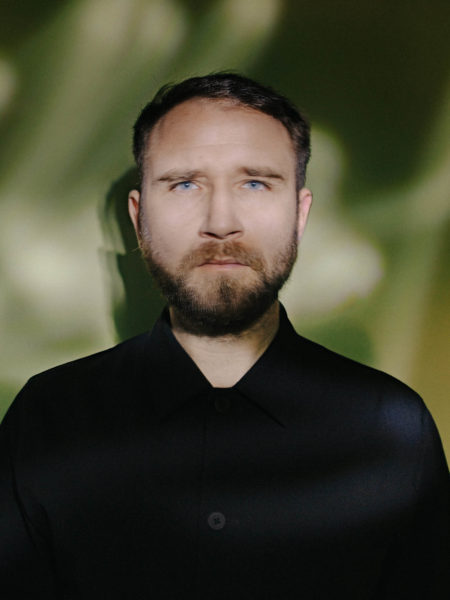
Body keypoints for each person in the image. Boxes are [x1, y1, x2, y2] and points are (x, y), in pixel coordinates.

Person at [0, 73, 448, 599]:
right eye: (184, 184)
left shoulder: (390, 428)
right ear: (138, 217)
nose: (220, 222)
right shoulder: (48, 418)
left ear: (300, 214)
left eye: (254, 183)